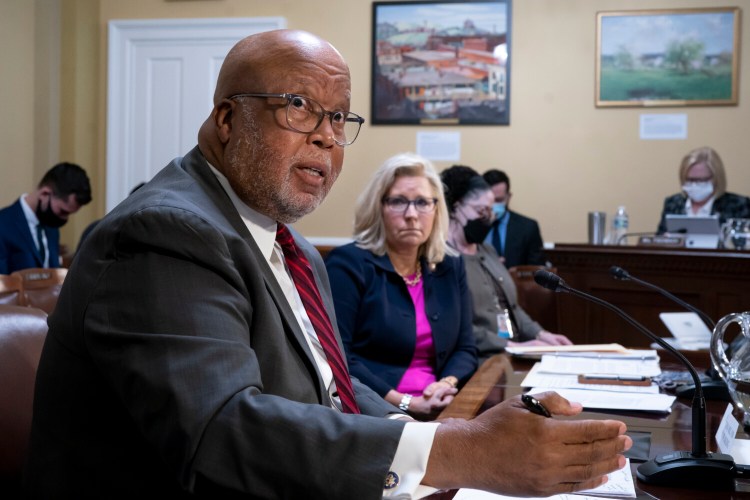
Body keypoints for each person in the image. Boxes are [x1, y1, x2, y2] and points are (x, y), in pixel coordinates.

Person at [25, 29, 630, 499]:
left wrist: (446, 442)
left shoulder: (295, 248)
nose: (327, 137)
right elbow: (222, 432)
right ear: (228, 120)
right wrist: (463, 454)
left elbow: (333, 391)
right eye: (298, 107)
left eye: (338, 117)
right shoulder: (165, 231)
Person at [325, 153, 477, 421]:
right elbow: (340, 358)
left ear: (437, 209)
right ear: (379, 208)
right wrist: (406, 403)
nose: (411, 215)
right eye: (398, 202)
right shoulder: (348, 264)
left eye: (422, 203)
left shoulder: (450, 266)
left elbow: (465, 348)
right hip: (375, 410)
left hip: (443, 404)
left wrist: (446, 384)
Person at [442, 165, 572, 363]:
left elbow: (512, 308)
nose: (487, 218)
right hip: (478, 360)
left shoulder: (487, 251)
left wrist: (541, 335)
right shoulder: (442, 258)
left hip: (512, 354)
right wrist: (514, 347)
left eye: (490, 211)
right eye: (481, 211)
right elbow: (456, 326)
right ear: (455, 208)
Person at [0, 162, 91, 274]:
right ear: (44, 194)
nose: (64, 219)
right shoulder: (3, 224)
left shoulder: (52, 227)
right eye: (62, 211)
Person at [657, 146, 750, 234]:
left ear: (716, 178)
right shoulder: (673, 204)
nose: (695, 185)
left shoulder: (738, 205)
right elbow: (658, 241)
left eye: (701, 180)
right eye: (690, 180)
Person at [482, 168, 546, 268]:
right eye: (490, 200)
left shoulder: (528, 227)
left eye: (499, 200)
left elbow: (536, 270)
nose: (494, 205)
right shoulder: (472, 225)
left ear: (509, 197)